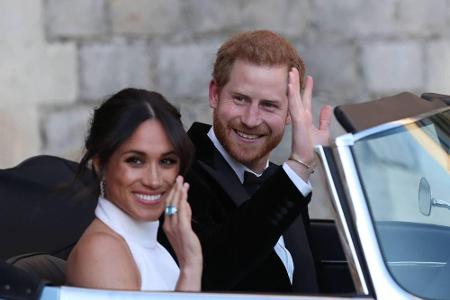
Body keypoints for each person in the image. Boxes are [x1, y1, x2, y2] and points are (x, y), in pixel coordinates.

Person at [160, 30, 332, 293]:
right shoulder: (177, 171)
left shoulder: (283, 181)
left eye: (269, 105)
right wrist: (298, 168)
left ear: (290, 113)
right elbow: (211, 276)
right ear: (215, 94)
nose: (251, 119)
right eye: (240, 99)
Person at [66, 88, 202, 291]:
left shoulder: (152, 247)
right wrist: (191, 268)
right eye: (135, 160)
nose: (154, 180)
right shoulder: (102, 251)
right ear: (100, 163)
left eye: (166, 161)